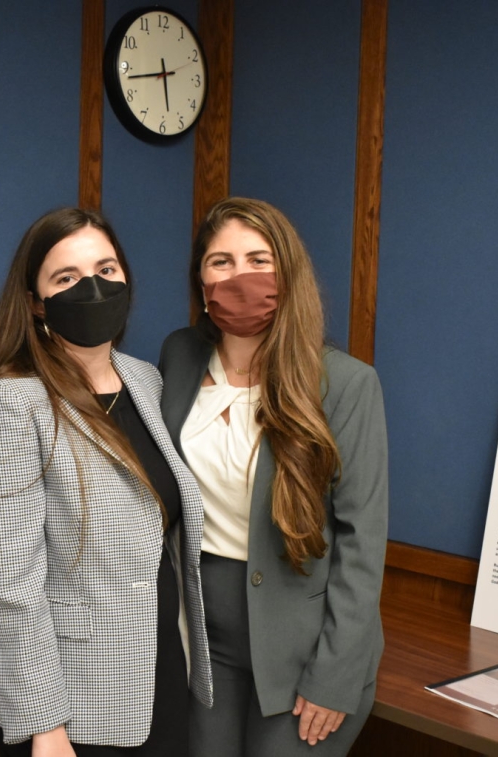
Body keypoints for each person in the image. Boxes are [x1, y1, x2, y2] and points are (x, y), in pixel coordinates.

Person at [0, 208, 212, 756]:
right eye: (67, 278)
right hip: (72, 703)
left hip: (159, 672)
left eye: (106, 269)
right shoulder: (10, 400)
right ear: (37, 301)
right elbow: (7, 586)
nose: (93, 288)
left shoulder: (145, 379)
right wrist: (45, 726)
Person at [158, 197, 388, 756]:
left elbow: (362, 542)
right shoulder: (179, 355)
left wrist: (334, 673)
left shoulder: (346, 384)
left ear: (287, 271)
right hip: (203, 644)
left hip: (303, 650)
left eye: (258, 259)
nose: (240, 276)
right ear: (200, 278)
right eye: (221, 262)